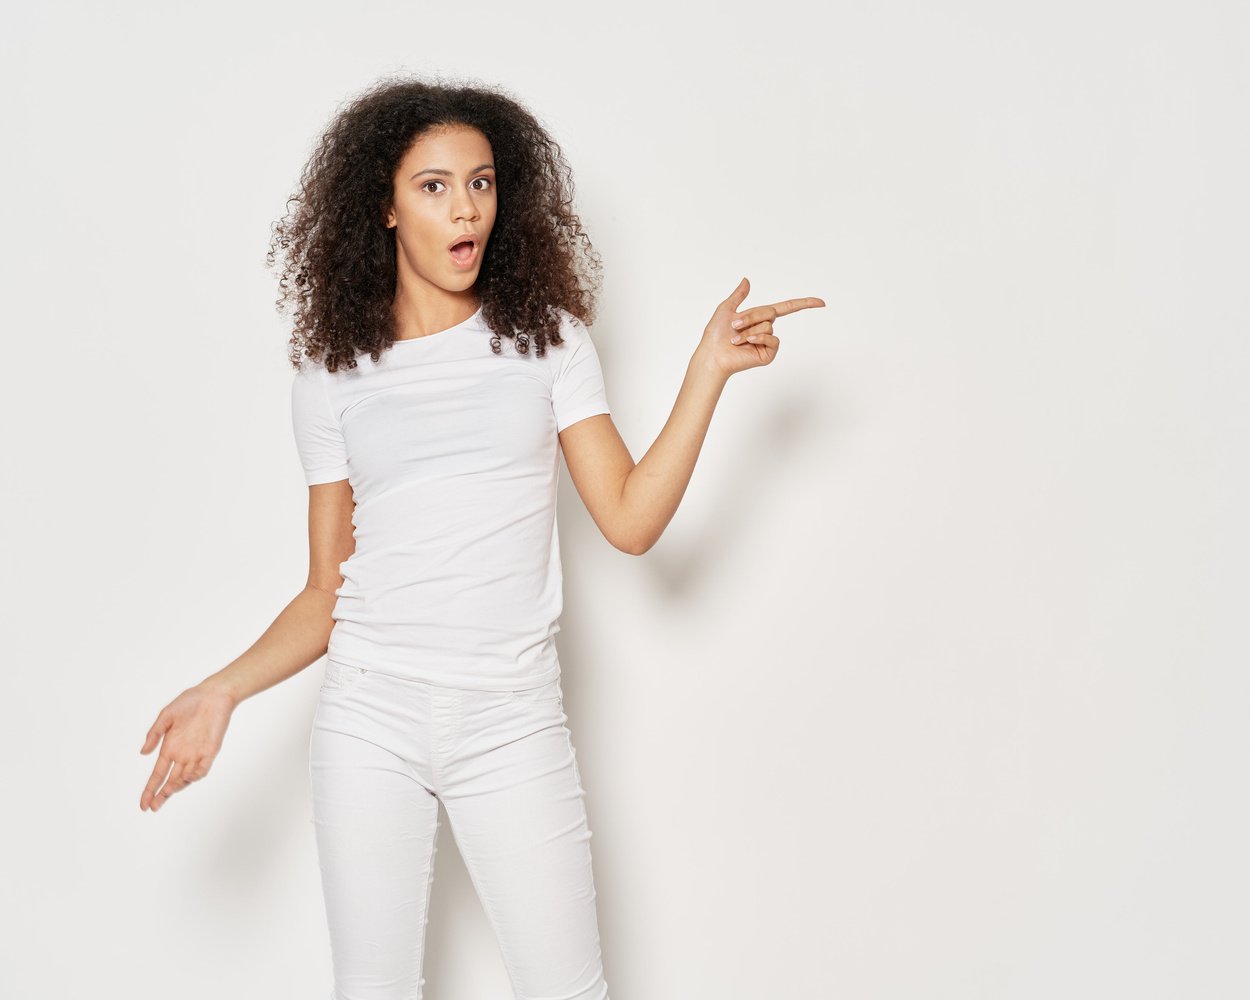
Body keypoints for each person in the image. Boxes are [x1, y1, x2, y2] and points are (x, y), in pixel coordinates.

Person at [134, 75, 824, 1000]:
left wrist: (707, 374)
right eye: (434, 186)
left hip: (512, 720)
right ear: (382, 205)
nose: (465, 208)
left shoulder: (547, 344)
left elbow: (626, 518)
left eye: (483, 182)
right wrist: (221, 690)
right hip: (371, 716)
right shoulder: (334, 374)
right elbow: (323, 592)